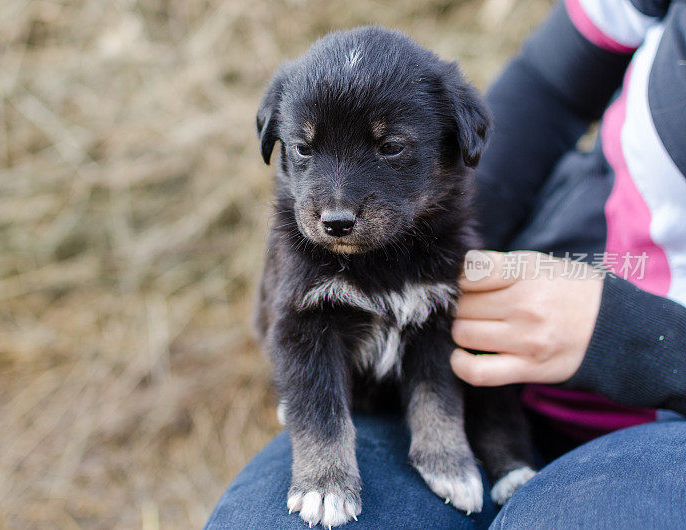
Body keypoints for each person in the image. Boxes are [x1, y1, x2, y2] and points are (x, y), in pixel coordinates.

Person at [206, 0, 686, 527]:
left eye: (389, 148)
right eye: (305, 150)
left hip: (662, 423)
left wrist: (632, 339)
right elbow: (550, 85)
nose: (334, 206)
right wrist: (468, 230)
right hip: (472, 374)